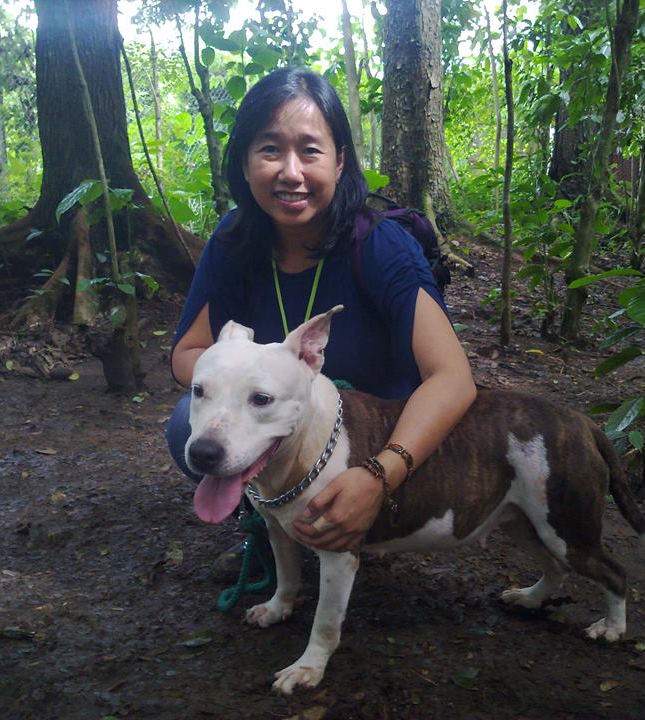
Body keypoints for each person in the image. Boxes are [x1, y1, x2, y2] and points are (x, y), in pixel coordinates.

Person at [166, 67, 476, 556]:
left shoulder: (378, 246)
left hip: (374, 431)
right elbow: (188, 352)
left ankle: (367, 508)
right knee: (188, 420)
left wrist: (381, 473)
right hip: (283, 423)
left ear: (339, 162)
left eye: (309, 150)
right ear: (245, 164)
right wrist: (239, 371)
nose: (290, 172)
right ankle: (275, 513)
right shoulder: (234, 241)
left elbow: (453, 378)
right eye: (270, 149)